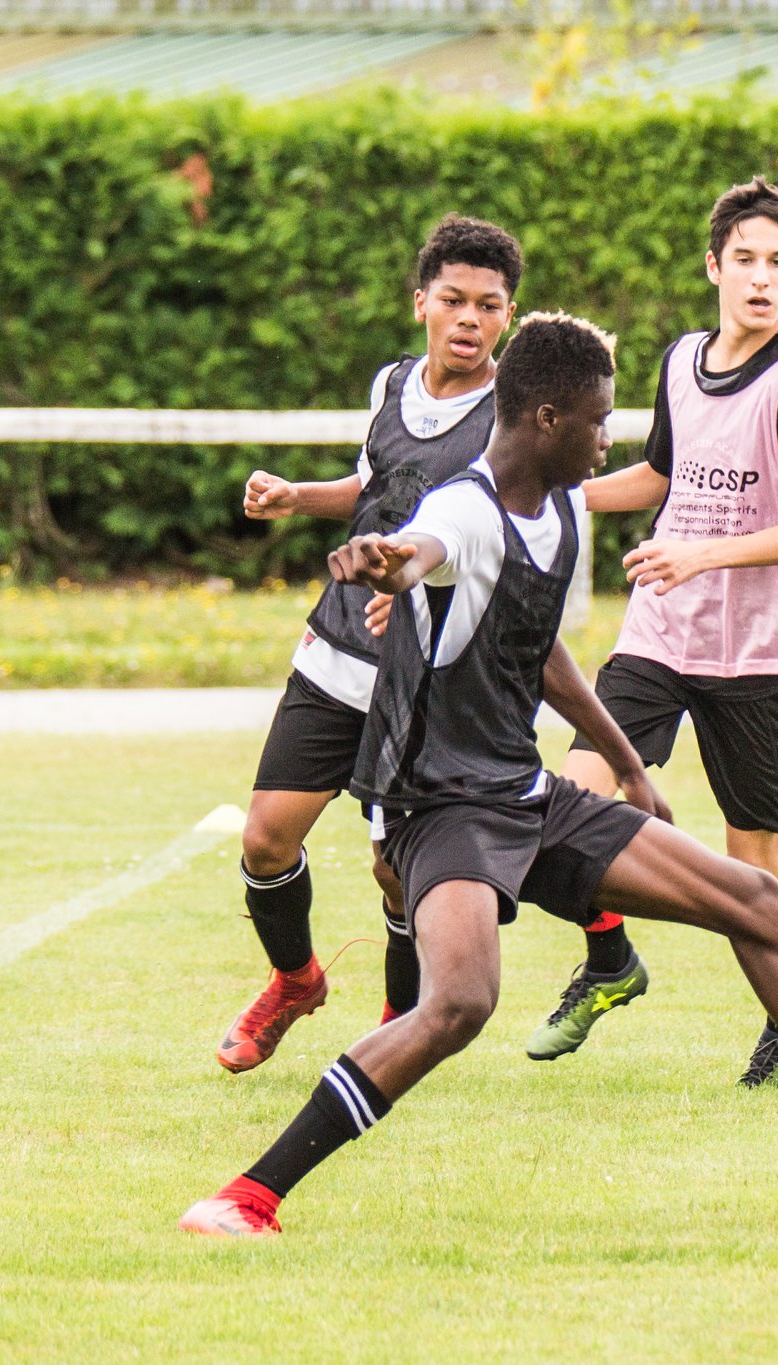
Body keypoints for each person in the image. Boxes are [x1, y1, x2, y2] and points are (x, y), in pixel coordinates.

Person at [180, 313, 778, 1237]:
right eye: (599, 418)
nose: (611, 436)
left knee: (755, 898)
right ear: (543, 417)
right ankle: (249, 1195)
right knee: (459, 1002)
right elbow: (425, 545)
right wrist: (388, 562)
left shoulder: (561, 511)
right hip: (440, 805)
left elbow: (540, 652)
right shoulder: (465, 507)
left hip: (526, 794)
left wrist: (623, 761)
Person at [524, 178, 778, 1093]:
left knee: (758, 871)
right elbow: (663, 475)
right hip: (661, 639)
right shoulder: (678, 360)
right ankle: (610, 962)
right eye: (743, 259)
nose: (759, 277)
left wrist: (699, 556)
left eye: (777, 263)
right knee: (562, 809)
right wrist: (557, 487)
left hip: (759, 658)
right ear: (714, 266)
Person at [218, 214, 531, 1073]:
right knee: (265, 839)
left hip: (426, 678)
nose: (470, 317)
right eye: (455, 299)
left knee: (397, 870)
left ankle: (397, 1025)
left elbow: (497, 546)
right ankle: (295, 979)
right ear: (421, 301)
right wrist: (296, 495)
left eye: (489, 305)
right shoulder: (392, 383)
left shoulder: (512, 421)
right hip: (336, 651)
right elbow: (371, 486)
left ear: (509, 316)